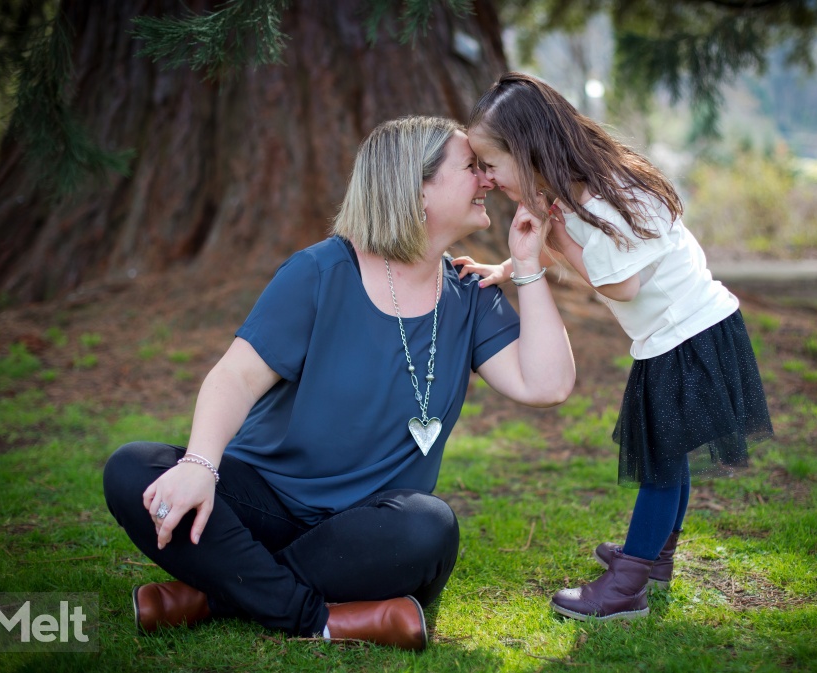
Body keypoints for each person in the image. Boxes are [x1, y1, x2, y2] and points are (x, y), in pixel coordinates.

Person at [102, 115, 575, 650]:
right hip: (265, 505)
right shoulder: (321, 272)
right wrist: (198, 465)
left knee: (430, 528)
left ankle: (215, 596)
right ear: (417, 190)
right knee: (132, 469)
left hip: (367, 533)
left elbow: (548, 385)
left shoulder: (470, 294)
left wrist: (530, 266)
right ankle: (320, 619)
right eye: (471, 167)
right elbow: (233, 376)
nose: (488, 179)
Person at [457, 72, 773, 621]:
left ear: (528, 150)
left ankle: (626, 588)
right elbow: (590, 258)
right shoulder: (579, 193)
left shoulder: (610, 195)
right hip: (674, 337)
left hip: (690, 335)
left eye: (489, 163)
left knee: (659, 467)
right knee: (667, 459)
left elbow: (619, 283)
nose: (485, 177)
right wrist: (510, 268)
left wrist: (550, 243)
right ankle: (652, 558)